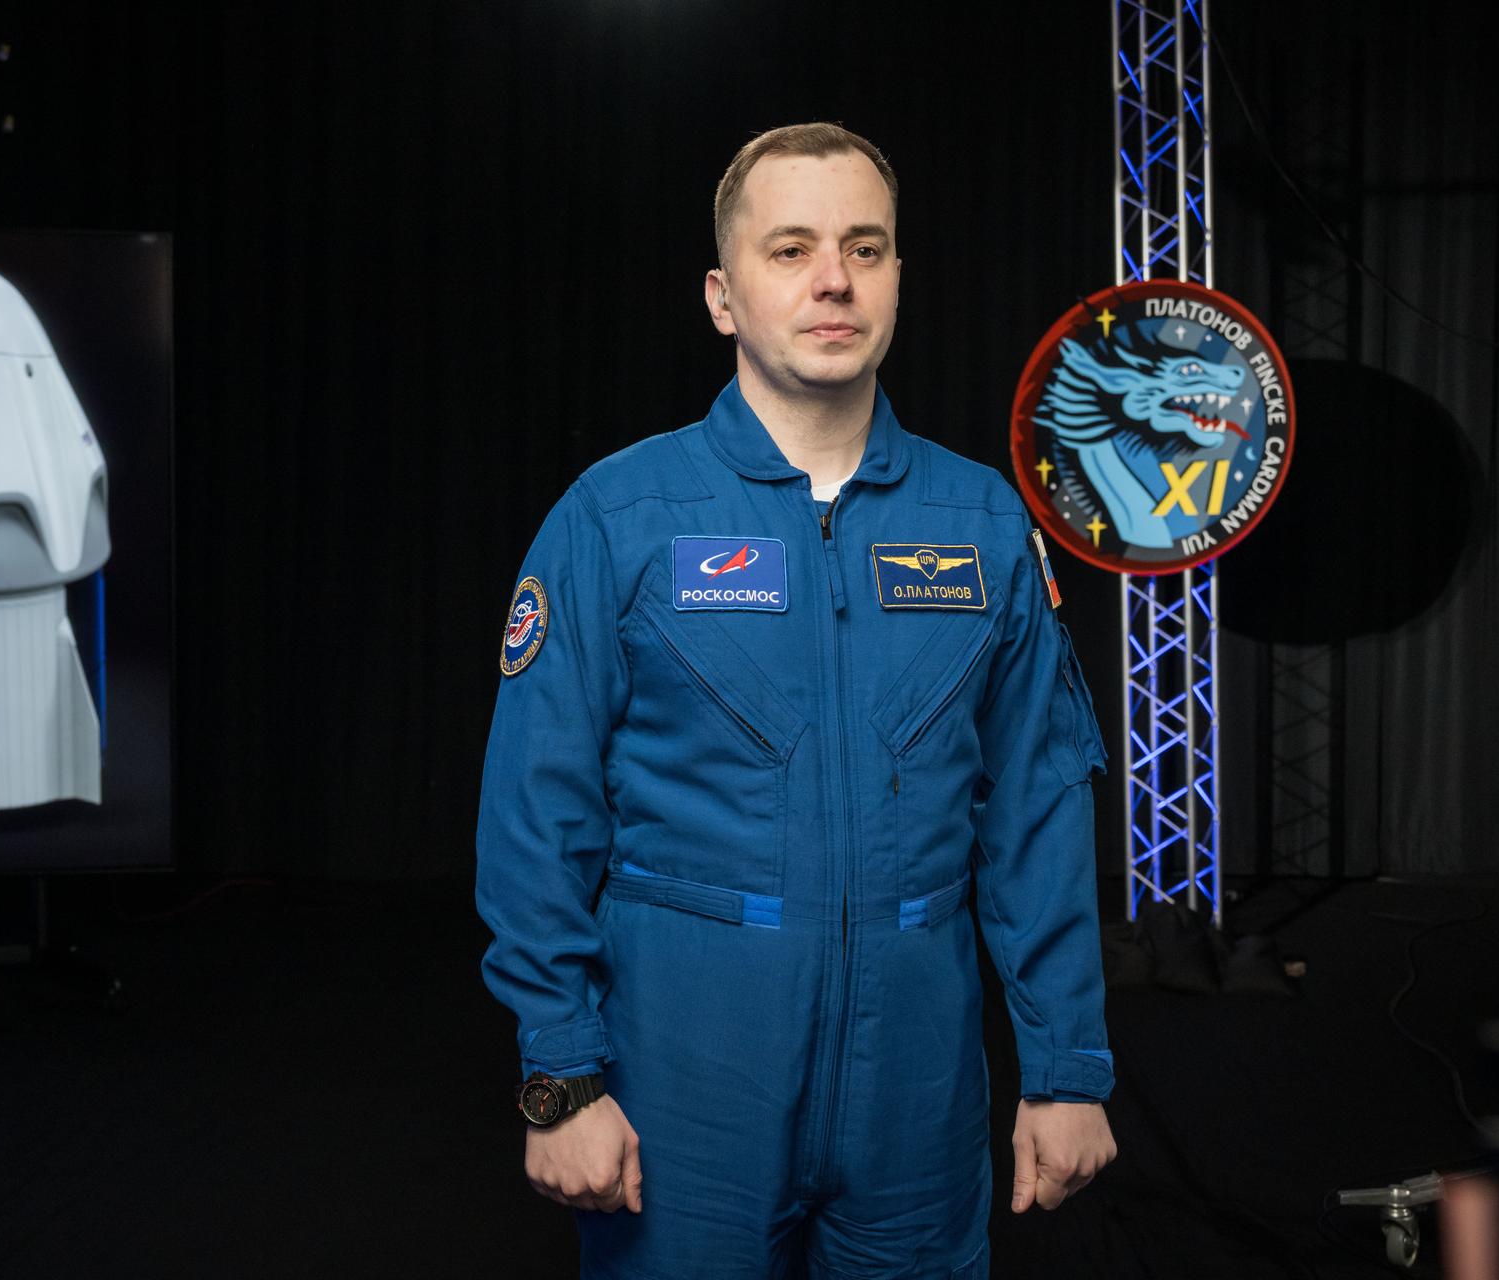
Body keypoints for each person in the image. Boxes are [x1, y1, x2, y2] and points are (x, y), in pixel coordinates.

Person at [475, 122, 1117, 1280]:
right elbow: (537, 811)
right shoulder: (620, 517)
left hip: (916, 1095)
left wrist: (1066, 1066)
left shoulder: (980, 524)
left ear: (898, 278)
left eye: (865, 248)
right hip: (683, 1084)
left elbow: (1036, 810)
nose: (834, 279)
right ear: (723, 297)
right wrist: (561, 1074)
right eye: (792, 249)